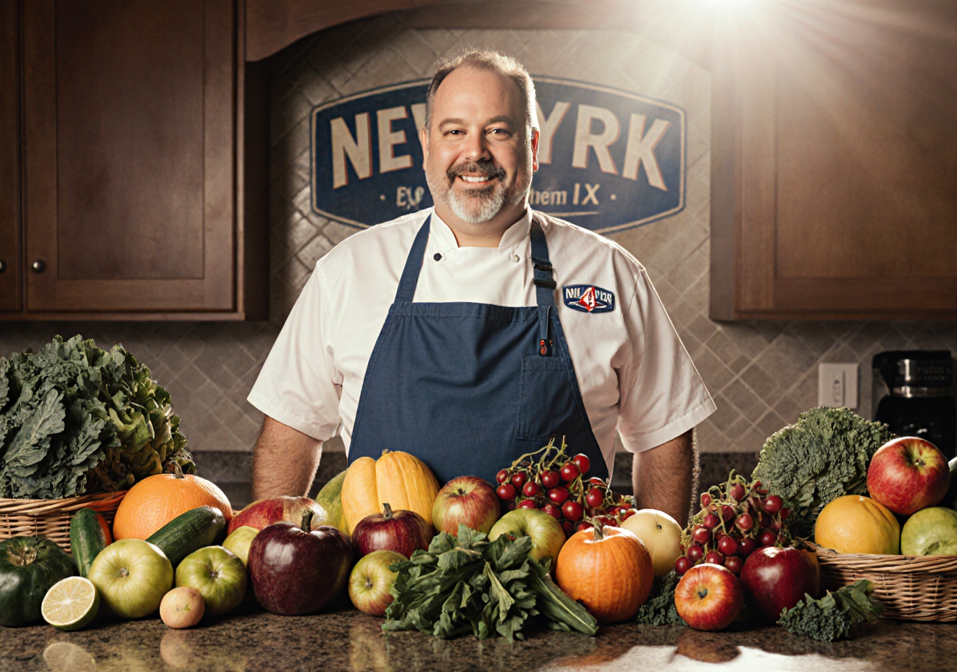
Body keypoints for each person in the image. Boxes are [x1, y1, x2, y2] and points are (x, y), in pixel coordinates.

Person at [247, 49, 715, 525]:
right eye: (455, 131)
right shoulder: (348, 271)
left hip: (565, 590)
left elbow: (664, 436)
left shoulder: (612, 274)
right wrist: (272, 557)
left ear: (532, 144)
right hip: (386, 586)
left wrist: (654, 568)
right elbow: (292, 431)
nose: (476, 152)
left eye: (498, 130)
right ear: (427, 143)